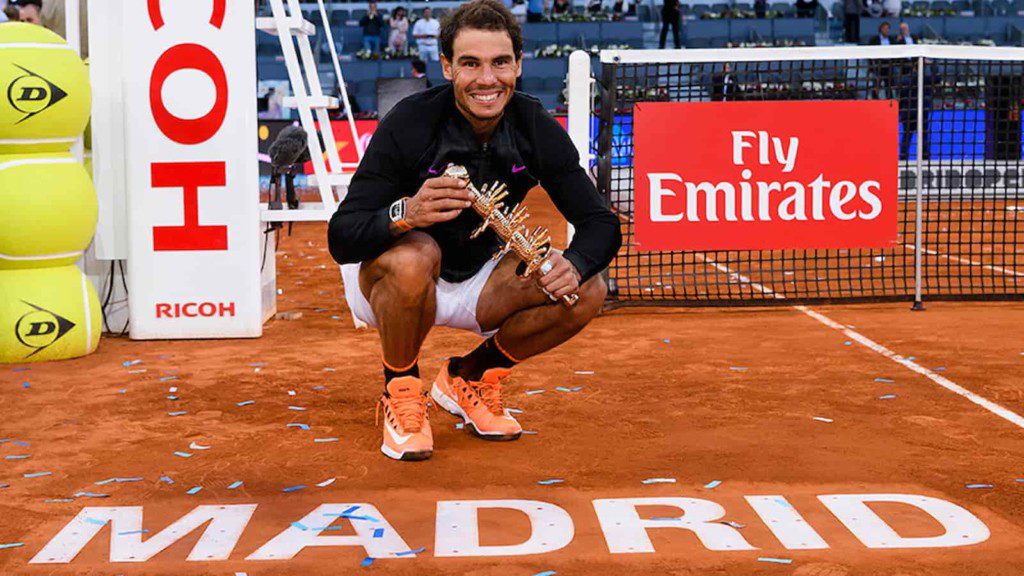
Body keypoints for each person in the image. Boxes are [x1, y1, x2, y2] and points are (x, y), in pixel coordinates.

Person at [328, 0, 621, 462]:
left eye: (500, 62)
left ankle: (469, 376)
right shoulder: (408, 122)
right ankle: (401, 391)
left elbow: (600, 223)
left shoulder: (535, 126)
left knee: (586, 290)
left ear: (519, 65)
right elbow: (341, 236)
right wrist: (407, 212)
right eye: (471, 64)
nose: (488, 79)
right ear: (447, 67)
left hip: (479, 279)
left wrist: (578, 264)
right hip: (393, 279)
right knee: (415, 254)